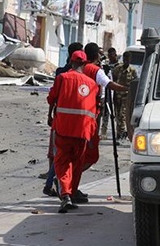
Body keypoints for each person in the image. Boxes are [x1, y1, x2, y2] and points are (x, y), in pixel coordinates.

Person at [47, 50, 99, 213]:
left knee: (62, 162)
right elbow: (95, 110)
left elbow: (51, 99)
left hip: (63, 129)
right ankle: (71, 192)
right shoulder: (92, 84)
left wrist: (49, 115)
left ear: (70, 61)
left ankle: (65, 194)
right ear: (85, 64)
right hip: (82, 131)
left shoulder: (62, 78)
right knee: (76, 164)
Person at [43, 42, 84, 197]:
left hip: (60, 119)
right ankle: (64, 189)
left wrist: (49, 115)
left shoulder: (61, 72)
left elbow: (52, 98)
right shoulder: (79, 76)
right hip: (74, 123)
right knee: (64, 155)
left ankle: (53, 184)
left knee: (58, 154)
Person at [82, 43, 128, 167]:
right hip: (91, 109)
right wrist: (127, 89)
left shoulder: (79, 68)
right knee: (90, 153)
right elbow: (109, 84)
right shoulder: (96, 70)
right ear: (97, 55)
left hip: (79, 110)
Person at [111, 51, 138, 140]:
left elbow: (135, 83)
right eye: (125, 59)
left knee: (123, 115)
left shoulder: (133, 71)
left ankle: (122, 134)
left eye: (128, 59)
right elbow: (113, 80)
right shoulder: (117, 69)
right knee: (117, 115)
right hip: (117, 96)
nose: (126, 61)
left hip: (126, 97)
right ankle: (119, 132)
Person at [99, 47, 120, 139]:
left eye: (112, 56)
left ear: (115, 55)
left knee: (118, 113)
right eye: (109, 56)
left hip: (118, 92)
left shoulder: (119, 66)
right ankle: (103, 131)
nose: (110, 58)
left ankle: (119, 132)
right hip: (108, 90)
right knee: (106, 112)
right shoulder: (105, 66)